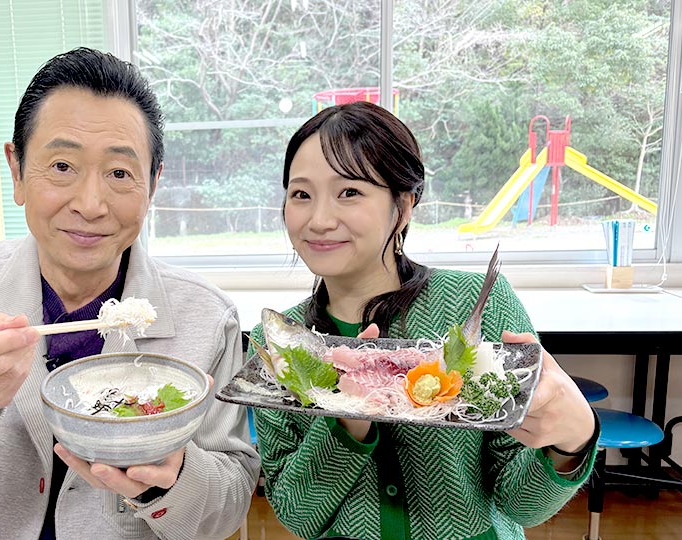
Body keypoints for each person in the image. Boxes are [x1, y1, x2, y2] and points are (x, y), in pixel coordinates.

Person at [0, 48, 259, 540]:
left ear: (153, 184)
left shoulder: (208, 318)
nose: (90, 204)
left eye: (120, 173)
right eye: (61, 166)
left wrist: (172, 478)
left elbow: (227, 508)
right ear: (16, 171)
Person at [249, 101, 599, 540]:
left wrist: (572, 441)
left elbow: (520, 505)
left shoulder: (475, 305)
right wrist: (348, 416)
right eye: (301, 194)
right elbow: (297, 516)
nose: (318, 220)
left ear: (404, 204)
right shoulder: (279, 343)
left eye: (349, 192)